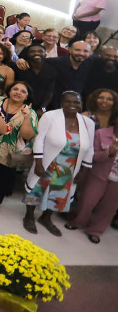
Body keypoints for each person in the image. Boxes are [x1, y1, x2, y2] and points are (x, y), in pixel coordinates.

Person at [23, 91, 96, 236]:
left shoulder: (88, 123)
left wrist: (84, 171)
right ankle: (29, 216)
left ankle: (46, 217)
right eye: (68, 102)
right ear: (62, 103)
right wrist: (38, 162)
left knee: (59, 193)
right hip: (47, 162)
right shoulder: (50, 116)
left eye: (76, 102)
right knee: (37, 189)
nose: (73, 105)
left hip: (70, 167)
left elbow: (90, 149)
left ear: (81, 104)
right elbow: (39, 140)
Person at [0, 81, 38, 214]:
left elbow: (27, 135)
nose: (18, 92)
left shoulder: (29, 112)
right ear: (9, 91)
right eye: (15, 89)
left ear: (27, 96)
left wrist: (26, 118)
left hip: (11, 148)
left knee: (5, 176)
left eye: (23, 91)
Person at [68, 89, 118, 243]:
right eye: (101, 97)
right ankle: (77, 219)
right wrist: (109, 153)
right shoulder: (98, 128)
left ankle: (96, 230)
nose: (104, 101)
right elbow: (93, 153)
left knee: (109, 206)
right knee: (87, 199)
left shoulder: (111, 119)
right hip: (89, 164)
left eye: (108, 99)